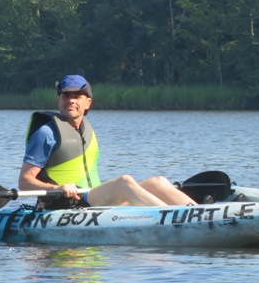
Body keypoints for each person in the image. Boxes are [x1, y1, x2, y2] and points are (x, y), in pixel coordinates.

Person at [19, 74, 193, 209]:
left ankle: (201, 213)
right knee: (124, 182)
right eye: (66, 96)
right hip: (66, 202)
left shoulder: (87, 131)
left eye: (77, 96)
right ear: (59, 100)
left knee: (159, 182)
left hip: (92, 197)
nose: (71, 100)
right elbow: (24, 182)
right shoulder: (46, 133)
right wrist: (57, 189)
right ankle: (172, 219)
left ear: (87, 103)